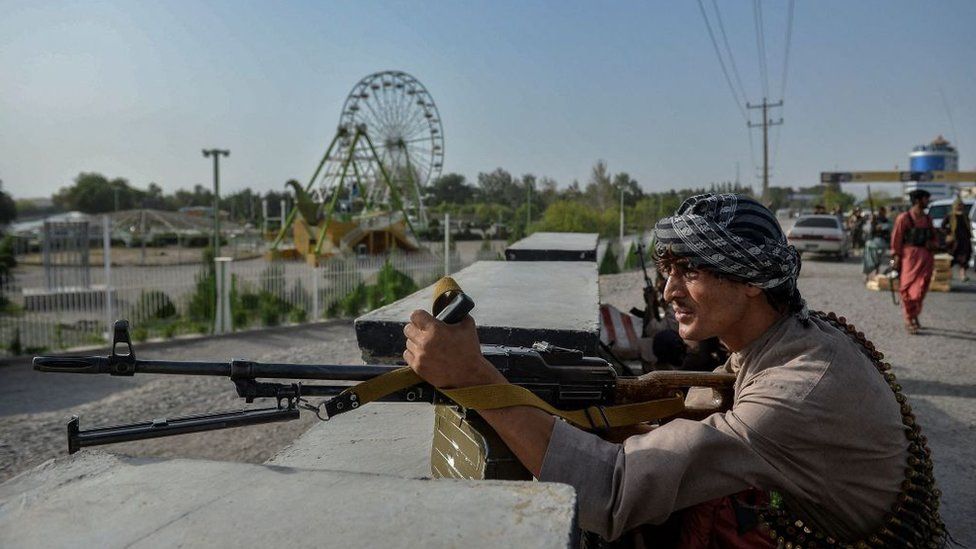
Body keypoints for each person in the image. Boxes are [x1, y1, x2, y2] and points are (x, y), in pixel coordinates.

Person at [403, 194, 943, 547]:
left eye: (691, 270)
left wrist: (474, 379)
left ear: (752, 279)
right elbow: (708, 419)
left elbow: (611, 493)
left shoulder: (797, 388)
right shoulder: (798, 338)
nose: (669, 291)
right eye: (668, 269)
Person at [891, 190, 937, 334]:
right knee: (907, 288)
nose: (927, 201)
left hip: (926, 257)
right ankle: (908, 318)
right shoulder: (904, 218)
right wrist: (896, 257)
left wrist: (933, 244)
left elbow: (934, 237)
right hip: (909, 257)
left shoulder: (928, 219)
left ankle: (914, 314)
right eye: (925, 199)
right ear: (917, 200)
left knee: (921, 288)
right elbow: (896, 238)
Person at [940, 198, 972, 282]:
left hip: (965, 241)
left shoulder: (965, 216)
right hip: (954, 242)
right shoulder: (950, 216)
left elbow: (968, 227)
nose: (960, 207)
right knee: (952, 259)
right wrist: (949, 233)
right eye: (958, 205)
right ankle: (948, 274)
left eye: (961, 205)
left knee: (964, 259)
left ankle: (963, 275)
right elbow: (942, 226)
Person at [862, 206, 892, 280]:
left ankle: (876, 274)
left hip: (882, 243)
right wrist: (873, 224)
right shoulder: (873, 220)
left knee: (878, 261)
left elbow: (889, 228)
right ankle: (867, 275)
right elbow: (867, 229)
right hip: (872, 243)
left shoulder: (886, 221)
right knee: (869, 260)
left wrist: (881, 227)